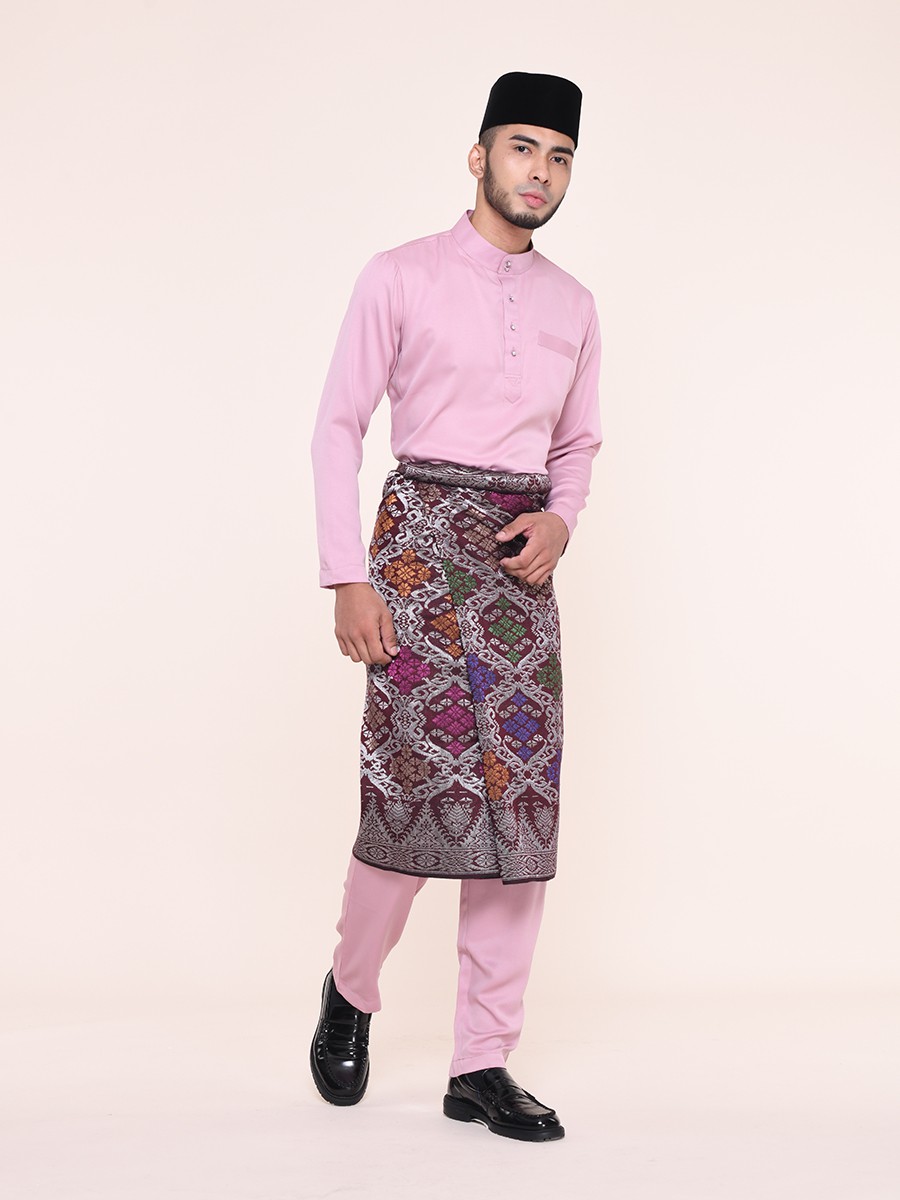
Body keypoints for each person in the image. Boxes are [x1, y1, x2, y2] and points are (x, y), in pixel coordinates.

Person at [308, 70, 602, 1142]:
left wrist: (561, 519)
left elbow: (578, 443)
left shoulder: (576, 306)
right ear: (479, 157)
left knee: (520, 815)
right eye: (523, 147)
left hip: (519, 578)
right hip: (415, 561)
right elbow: (338, 426)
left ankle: (481, 1062)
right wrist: (348, 574)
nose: (541, 171)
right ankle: (352, 988)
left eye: (560, 156)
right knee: (406, 796)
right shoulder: (400, 275)